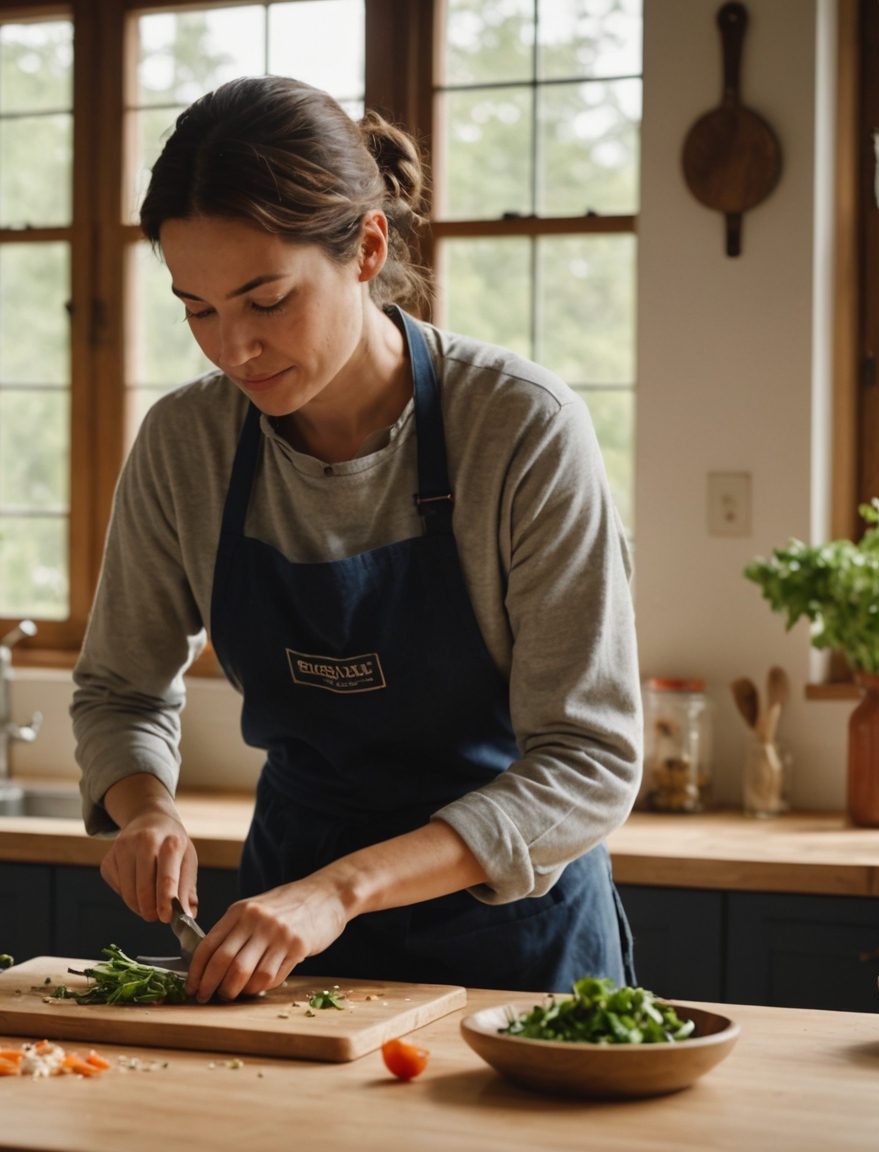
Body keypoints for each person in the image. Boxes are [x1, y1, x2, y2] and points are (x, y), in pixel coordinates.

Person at [70, 75, 642, 1004]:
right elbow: (119, 690)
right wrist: (146, 810)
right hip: (281, 942)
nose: (232, 349)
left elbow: (590, 761)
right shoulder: (188, 442)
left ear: (368, 248)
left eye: (265, 301)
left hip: (514, 944)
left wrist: (344, 890)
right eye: (198, 309)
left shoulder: (523, 427)